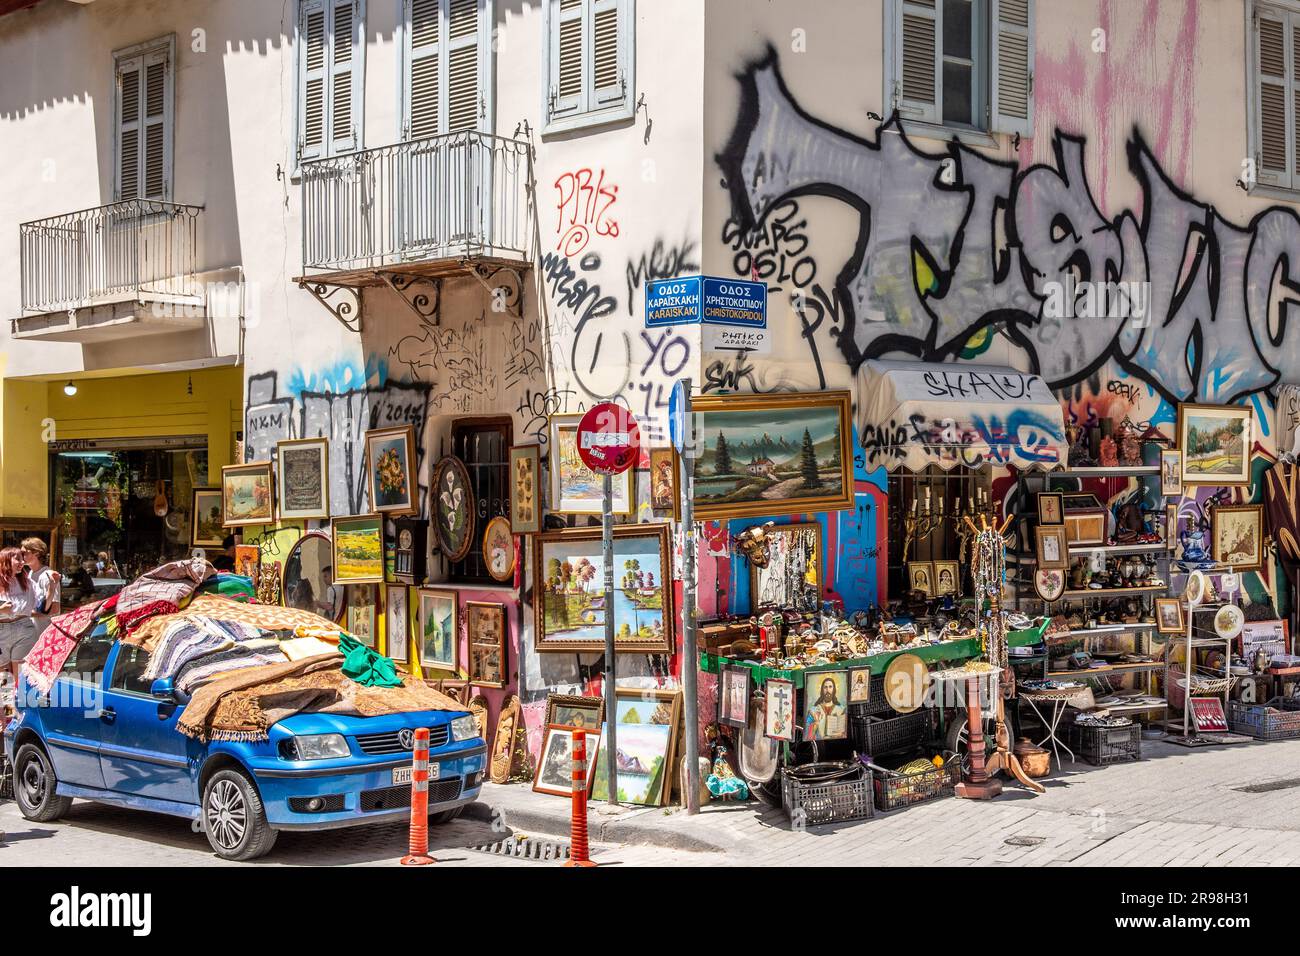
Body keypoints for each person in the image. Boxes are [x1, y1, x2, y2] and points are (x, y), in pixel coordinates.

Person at [0, 547, 39, 702]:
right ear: (5, 560)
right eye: (17, 558)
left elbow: (39, 606)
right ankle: (4, 714)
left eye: (22, 558)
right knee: (3, 677)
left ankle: (17, 713)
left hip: (24, 627)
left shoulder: (27, 582)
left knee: (21, 676)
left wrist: (51, 588)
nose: (22, 562)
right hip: (1, 629)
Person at [21, 537, 60, 634]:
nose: (21, 556)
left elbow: (55, 609)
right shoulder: (29, 574)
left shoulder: (48, 576)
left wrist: (23, 613)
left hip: (47, 632)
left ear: (36, 553)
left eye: (24, 553)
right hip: (32, 633)